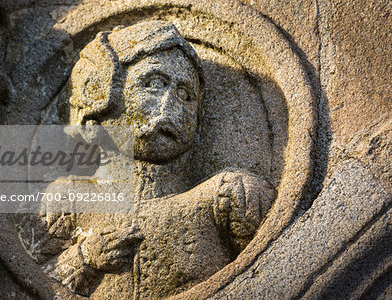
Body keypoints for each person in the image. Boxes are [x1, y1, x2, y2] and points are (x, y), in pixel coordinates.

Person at [25, 21, 275, 299]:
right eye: (153, 84)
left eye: (185, 94)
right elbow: (32, 281)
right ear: (102, 94)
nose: (172, 105)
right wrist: (84, 257)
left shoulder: (228, 197)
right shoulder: (66, 201)